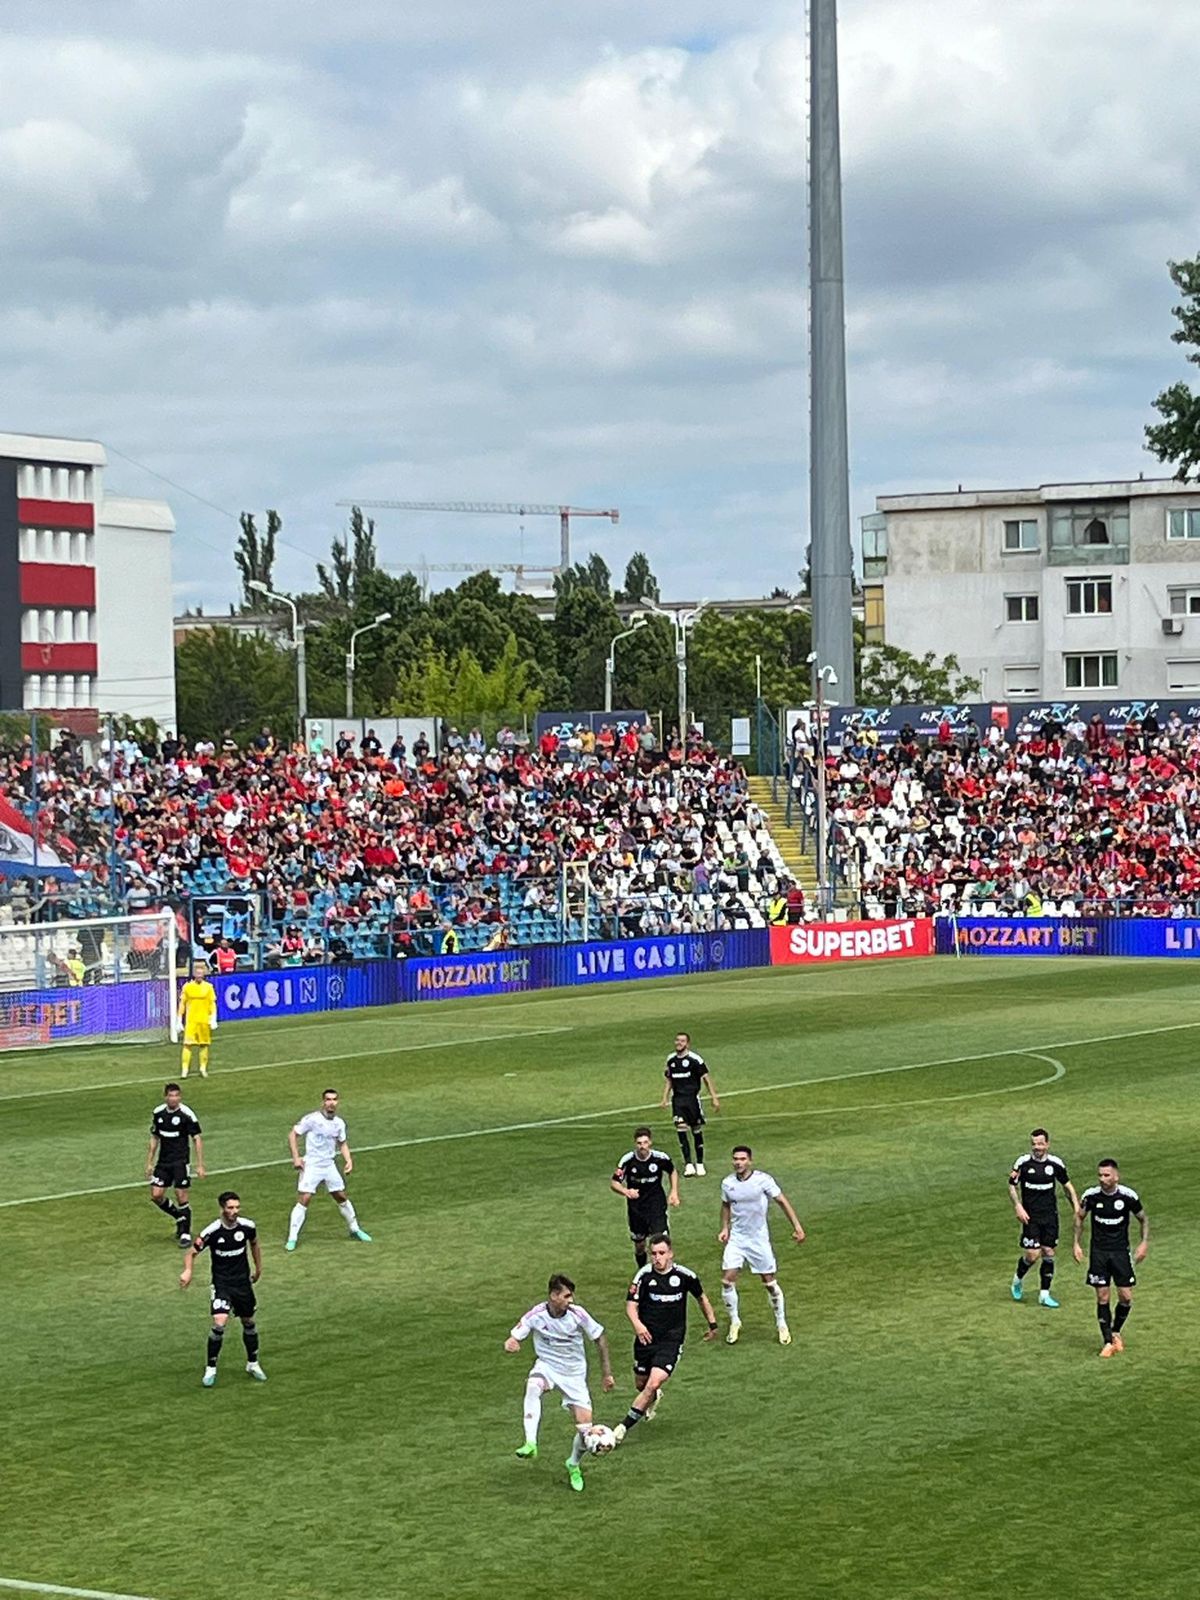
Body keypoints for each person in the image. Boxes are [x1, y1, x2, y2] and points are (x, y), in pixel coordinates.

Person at [504, 1273, 615, 1493]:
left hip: (574, 1375)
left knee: (585, 1430)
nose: (571, 1300)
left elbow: (599, 1338)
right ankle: (530, 1443)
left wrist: (607, 1374)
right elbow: (515, 1335)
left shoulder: (578, 1314)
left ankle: (573, 1464)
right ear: (554, 1296)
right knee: (533, 1385)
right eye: (566, 1296)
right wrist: (512, 1342)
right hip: (548, 1366)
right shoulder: (536, 1315)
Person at [613, 1234, 718, 1445]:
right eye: (653, 1254)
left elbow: (701, 1297)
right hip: (646, 1339)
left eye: (661, 1253)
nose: (657, 1258)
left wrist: (712, 1323)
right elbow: (631, 1305)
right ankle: (652, 1397)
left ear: (670, 1253)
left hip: (671, 1340)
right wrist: (638, 1326)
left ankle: (622, 1428)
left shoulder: (685, 1276)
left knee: (652, 1383)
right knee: (641, 1385)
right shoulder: (643, 1276)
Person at [718, 1145, 805, 1346]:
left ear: (750, 1161)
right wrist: (725, 1228)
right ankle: (734, 1321)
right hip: (738, 1239)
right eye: (735, 1159)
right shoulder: (727, 1183)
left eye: (742, 1159)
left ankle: (781, 1324)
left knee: (769, 1283)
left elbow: (782, 1201)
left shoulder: (763, 1180)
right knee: (727, 1280)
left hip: (758, 1240)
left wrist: (797, 1227)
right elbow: (725, 1206)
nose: (738, 1162)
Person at [179, 1190, 266, 1387]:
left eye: (237, 1207)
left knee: (249, 1322)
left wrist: (258, 1268)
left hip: (242, 1283)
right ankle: (211, 1368)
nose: (234, 1211)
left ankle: (253, 1363)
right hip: (222, 1284)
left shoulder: (248, 1227)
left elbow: (255, 1245)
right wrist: (188, 1271)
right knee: (220, 1323)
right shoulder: (212, 1231)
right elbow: (191, 1253)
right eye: (230, 1208)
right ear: (222, 1209)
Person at [1073, 1159, 1149, 1358]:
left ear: (1116, 1176)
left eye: (1106, 1175)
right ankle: (1107, 1341)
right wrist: (1076, 1243)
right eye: (1100, 1175)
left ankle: (1115, 1331)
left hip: (1120, 1253)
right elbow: (1080, 1217)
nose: (1102, 1179)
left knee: (1126, 1297)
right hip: (1099, 1253)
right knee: (1102, 1297)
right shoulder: (1091, 1196)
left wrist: (1143, 1243)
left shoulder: (1128, 1196)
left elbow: (1143, 1218)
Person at [286, 1089, 372, 1250]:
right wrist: (296, 1158)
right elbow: (293, 1135)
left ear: (337, 1102)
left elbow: (342, 1143)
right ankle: (292, 1238)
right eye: (328, 1099)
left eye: (334, 1099)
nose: (331, 1102)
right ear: (323, 1102)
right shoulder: (312, 1119)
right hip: (312, 1164)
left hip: (329, 1165)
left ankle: (354, 1229)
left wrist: (348, 1160)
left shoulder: (339, 1123)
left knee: (340, 1195)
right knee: (305, 1198)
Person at [1009, 1127, 1080, 1309]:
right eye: (1034, 1144)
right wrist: (1018, 1205)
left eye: (1040, 1144)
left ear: (1047, 1144)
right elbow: (1012, 1186)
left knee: (1048, 1252)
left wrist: (1077, 1207)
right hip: (1030, 1217)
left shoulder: (1056, 1164)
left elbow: (1067, 1186)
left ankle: (1044, 1295)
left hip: (1050, 1216)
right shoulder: (1023, 1163)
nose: (1037, 1147)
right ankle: (1017, 1279)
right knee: (1032, 1255)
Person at [611, 1126, 680, 1269]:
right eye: (639, 1143)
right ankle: (642, 1271)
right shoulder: (628, 1160)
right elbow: (614, 1182)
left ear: (650, 1142)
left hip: (656, 1207)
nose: (642, 1146)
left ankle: (665, 1271)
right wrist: (626, 1191)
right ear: (635, 1144)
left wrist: (674, 1192)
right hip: (637, 1209)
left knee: (661, 1240)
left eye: (645, 1142)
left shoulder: (660, 1158)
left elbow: (672, 1171)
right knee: (639, 1245)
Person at [146, 1083, 205, 1248]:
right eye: (171, 1096)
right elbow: (154, 1138)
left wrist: (200, 1164)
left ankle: (185, 1233)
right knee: (156, 1195)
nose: (174, 1099)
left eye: (176, 1096)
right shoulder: (158, 1113)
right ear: (165, 1097)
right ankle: (179, 1216)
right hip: (163, 1162)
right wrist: (149, 1163)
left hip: (180, 1161)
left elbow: (197, 1138)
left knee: (181, 1196)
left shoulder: (187, 1114)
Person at [660, 1031, 720, 1177]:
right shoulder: (671, 1060)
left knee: (696, 1129)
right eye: (677, 1040)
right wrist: (664, 1098)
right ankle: (688, 1164)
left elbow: (706, 1078)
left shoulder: (695, 1059)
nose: (679, 1043)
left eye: (682, 1041)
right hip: (678, 1100)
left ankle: (699, 1163)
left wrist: (714, 1097)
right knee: (681, 1129)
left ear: (687, 1043)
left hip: (693, 1099)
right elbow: (669, 1080)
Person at [178, 958, 218, 1079]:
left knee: (204, 1044)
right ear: (194, 974)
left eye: (201, 973)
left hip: (204, 1020)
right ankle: (185, 1070)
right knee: (187, 1045)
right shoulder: (188, 987)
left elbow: (212, 1003)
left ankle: (203, 1068)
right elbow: (182, 1003)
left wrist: (213, 1017)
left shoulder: (209, 987)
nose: (199, 975)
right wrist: (179, 1019)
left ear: (204, 974)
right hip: (191, 1021)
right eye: (197, 973)